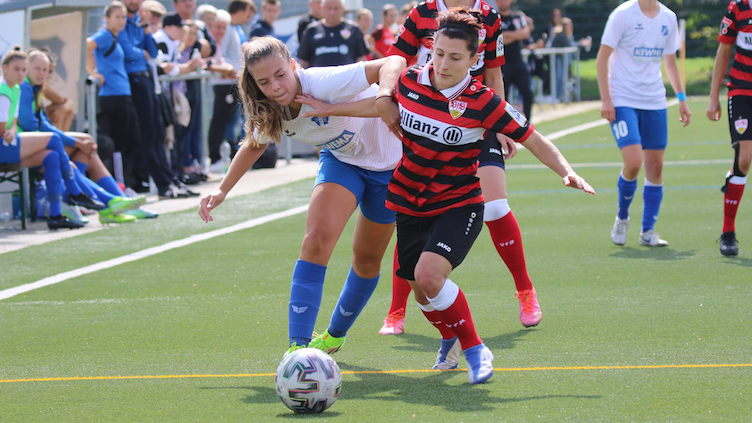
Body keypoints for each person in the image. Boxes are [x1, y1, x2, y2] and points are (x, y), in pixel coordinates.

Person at [377, 8, 593, 383]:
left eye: (456, 57)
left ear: (475, 60)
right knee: (422, 293)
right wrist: (326, 108)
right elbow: (374, 104)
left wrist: (567, 171)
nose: (444, 63)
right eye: (439, 53)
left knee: (430, 275)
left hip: (459, 203)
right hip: (411, 202)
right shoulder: (410, 81)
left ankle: (476, 348)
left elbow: (534, 138)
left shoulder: (484, 101)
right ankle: (450, 339)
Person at [198, 36, 406, 358]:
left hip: (391, 168)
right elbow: (255, 143)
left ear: (294, 64)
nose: (276, 87)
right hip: (342, 162)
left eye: (281, 74)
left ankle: (334, 336)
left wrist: (383, 96)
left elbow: (392, 63)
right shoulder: (268, 104)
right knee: (315, 240)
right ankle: (298, 349)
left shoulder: (324, 83)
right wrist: (221, 189)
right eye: (264, 81)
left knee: (366, 260)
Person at [383, 0, 544, 335]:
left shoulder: (490, 15)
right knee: (413, 205)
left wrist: (498, 127)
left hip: (475, 117)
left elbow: (495, 72)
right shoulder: (421, 11)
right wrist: (388, 94)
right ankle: (397, 309)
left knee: (496, 206)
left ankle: (525, 290)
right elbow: (398, 56)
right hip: (427, 117)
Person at [597, 0, 691, 247]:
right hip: (622, 99)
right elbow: (601, 59)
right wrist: (606, 99)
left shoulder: (668, 17)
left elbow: (669, 62)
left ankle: (648, 230)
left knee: (656, 167)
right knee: (634, 163)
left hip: (655, 100)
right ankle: (623, 216)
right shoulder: (623, 14)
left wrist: (681, 99)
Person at [18, 49, 148, 223]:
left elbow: (44, 123)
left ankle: (112, 201)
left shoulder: (34, 87)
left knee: (86, 144)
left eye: (46, 70)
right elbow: (32, 125)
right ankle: (105, 200)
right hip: (27, 145)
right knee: (77, 148)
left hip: (36, 141)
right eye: (38, 69)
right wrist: (74, 142)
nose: (43, 74)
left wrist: (76, 141)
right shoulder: (24, 87)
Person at [1, 48, 103, 230]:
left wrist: (11, 129)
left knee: (52, 157)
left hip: (9, 142)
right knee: (55, 140)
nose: (20, 74)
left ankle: (56, 215)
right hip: (4, 146)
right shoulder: (5, 91)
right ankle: (75, 193)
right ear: (4, 68)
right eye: (17, 69)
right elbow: (9, 128)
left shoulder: (16, 88)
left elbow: (14, 123)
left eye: (23, 70)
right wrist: (8, 131)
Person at [707, 0, 752, 256]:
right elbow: (724, 51)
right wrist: (713, 97)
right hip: (742, 90)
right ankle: (728, 232)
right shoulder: (739, 6)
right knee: (744, 160)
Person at [207, 0, 255, 171]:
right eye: (248, 13)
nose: (249, 18)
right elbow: (224, 57)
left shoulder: (236, 29)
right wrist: (230, 69)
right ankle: (215, 158)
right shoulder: (228, 29)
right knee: (221, 121)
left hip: (233, 82)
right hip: (224, 83)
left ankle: (223, 156)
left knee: (229, 122)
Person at [297, 0, 370, 68]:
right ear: (322, 8)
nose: (332, 12)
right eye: (329, 8)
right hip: (319, 80)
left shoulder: (354, 29)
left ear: (342, 8)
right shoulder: (311, 30)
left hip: (347, 80)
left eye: (336, 8)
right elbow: (303, 62)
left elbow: (361, 60)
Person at [496, 0, 533, 120]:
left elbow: (525, 33)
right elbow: (499, 39)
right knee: (503, 97)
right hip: (501, 63)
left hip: (517, 62)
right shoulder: (495, 17)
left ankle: (528, 121)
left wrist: (507, 35)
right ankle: (505, 123)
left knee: (527, 92)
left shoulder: (517, 16)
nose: (503, 2)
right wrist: (516, 34)